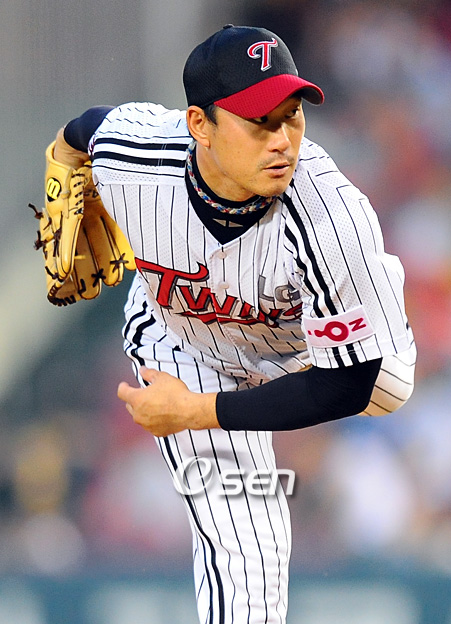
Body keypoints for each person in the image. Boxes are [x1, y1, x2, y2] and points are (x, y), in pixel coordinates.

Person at [49, 25, 416, 624]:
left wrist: (197, 411)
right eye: (259, 122)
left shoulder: (332, 215)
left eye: (292, 117)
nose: (283, 141)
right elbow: (82, 130)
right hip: (184, 338)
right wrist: (66, 172)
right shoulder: (136, 153)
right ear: (200, 124)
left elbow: (349, 384)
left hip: (314, 351)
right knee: (245, 545)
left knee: (389, 384)